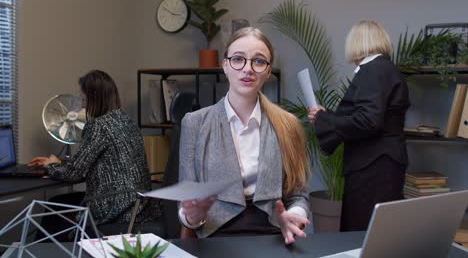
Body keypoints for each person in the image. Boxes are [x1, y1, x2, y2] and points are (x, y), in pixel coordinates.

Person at [177, 27, 311, 244]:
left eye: (258, 61)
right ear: (225, 65)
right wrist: (192, 218)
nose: (247, 69)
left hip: (274, 235)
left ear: (268, 72)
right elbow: (186, 203)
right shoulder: (195, 124)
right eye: (238, 59)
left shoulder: (288, 125)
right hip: (215, 238)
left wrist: (296, 216)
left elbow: (298, 195)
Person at [29, 70, 161, 240]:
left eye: (83, 100)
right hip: (139, 205)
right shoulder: (125, 120)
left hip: (117, 207)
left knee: (55, 208)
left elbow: (73, 173)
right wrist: (60, 162)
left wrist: (51, 165)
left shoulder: (98, 125)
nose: (82, 106)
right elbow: (105, 161)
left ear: (94, 97)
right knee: (60, 203)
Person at [308, 20, 410, 232]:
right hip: (381, 165)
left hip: (373, 168)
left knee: (364, 233)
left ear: (357, 42)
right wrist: (325, 117)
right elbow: (368, 116)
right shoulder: (384, 69)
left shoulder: (373, 70)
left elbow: (368, 121)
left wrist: (323, 121)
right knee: (380, 233)